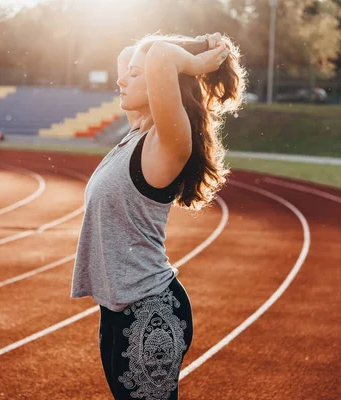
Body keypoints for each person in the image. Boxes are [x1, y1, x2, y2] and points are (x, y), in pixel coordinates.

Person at [71, 32, 246, 399]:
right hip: (118, 310)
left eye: (135, 74)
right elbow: (132, 51)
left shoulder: (167, 143)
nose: (121, 78)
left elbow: (161, 56)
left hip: (150, 312)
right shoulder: (137, 130)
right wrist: (196, 43)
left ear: (157, 81)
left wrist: (196, 61)